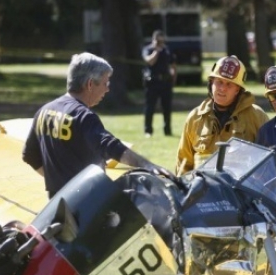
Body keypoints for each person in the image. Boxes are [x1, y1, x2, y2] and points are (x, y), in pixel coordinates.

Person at [23, 52, 171, 198]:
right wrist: (148, 166)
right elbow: (111, 146)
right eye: (105, 83)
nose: (107, 89)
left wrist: (58, 183)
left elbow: (29, 155)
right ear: (89, 84)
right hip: (84, 206)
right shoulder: (83, 116)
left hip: (57, 206)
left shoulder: (44, 111)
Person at [175, 55, 268, 175]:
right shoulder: (195, 118)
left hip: (238, 192)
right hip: (203, 191)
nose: (222, 88)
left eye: (229, 84)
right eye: (219, 82)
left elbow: (268, 163)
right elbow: (183, 164)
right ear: (211, 82)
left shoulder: (256, 116)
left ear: (238, 90)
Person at [142, 30, 176, 137]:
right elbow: (149, 61)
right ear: (154, 39)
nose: (160, 43)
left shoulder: (167, 50)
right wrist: (156, 51)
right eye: (158, 41)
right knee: (150, 107)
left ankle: (167, 130)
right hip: (152, 82)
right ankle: (148, 130)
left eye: (162, 41)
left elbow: (173, 65)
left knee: (167, 108)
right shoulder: (148, 49)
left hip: (166, 82)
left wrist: (174, 77)